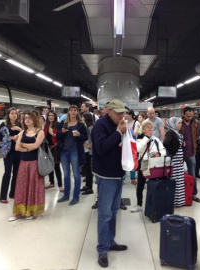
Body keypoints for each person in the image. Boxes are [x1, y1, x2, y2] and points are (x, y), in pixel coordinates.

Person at [91, 99, 128, 268]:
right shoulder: (100, 125)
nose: (122, 115)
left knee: (113, 212)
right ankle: (102, 249)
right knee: (105, 214)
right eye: (119, 112)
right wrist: (119, 133)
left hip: (118, 173)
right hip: (106, 176)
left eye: (123, 112)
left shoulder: (118, 124)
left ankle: (110, 241)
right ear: (109, 111)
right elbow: (100, 147)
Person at [8, 110, 45, 221]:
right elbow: (16, 148)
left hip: (35, 163)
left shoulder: (40, 132)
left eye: (29, 117)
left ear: (34, 119)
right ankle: (18, 212)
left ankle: (31, 211)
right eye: (25, 118)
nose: (27, 120)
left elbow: (35, 146)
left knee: (33, 187)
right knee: (21, 187)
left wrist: (24, 145)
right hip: (23, 163)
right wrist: (28, 147)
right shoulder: (22, 132)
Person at [131, 121, 166, 213]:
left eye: (151, 127)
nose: (150, 129)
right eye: (148, 127)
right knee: (140, 185)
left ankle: (154, 204)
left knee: (153, 185)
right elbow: (138, 148)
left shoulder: (156, 140)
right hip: (144, 165)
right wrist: (146, 138)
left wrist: (159, 154)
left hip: (155, 165)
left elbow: (164, 151)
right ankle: (139, 204)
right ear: (143, 129)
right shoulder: (139, 139)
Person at [56, 105, 88, 205]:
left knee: (76, 174)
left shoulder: (81, 124)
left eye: (75, 110)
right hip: (64, 151)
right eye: (71, 110)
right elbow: (57, 136)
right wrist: (61, 132)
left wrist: (79, 135)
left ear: (77, 112)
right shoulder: (63, 123)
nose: (73, 112)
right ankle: (66, 195)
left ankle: (76, 196)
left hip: (75, 151)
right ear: (68, 112)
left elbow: (85, 137)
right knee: (66, 174)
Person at [0, 107, 22, 203]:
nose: (14, 115)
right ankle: (3, 196)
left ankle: (13, 193)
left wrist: (19, 129)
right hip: (8, 152)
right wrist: (11, 137)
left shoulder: (20, 124)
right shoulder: (4, 125)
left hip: (18, 151)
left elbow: (26, 135)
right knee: (7, 173)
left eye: (15, 113)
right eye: (12, 113)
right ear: (8, 115)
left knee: (16, 173)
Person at [181, 107, 200, 203]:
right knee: (178, 174)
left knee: (192, 174)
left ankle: (193, 194)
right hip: (180, 152)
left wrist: (195, 146)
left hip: (191, 152)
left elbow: (196, 136)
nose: (189, 118)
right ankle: (180, 194)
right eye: (187, 116)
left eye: (191, 116)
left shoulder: (195, 124)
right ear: (184, 114)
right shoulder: (179, 123)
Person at [163, 117, 185, 206]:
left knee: (179, 180)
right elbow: (166, 143)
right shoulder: (170, 132)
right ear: (174, 124)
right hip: (175, 161)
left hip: (178, 160)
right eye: (179, 123)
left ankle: (178, 201)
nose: (180, 125)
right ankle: (174, 201)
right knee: (175, 179)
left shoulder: (176, 133)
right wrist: (172, 152)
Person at [44, 110, 63, 192]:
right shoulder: (46, 125)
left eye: (52, 115)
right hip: (47, 148)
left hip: (55, 148)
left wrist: (53, 135)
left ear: (55, 116)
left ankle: (60, 184)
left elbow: (60, 136)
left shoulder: (58, 125)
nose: (51, 117)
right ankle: (51, 182)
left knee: (56, 166)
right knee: (49, 166)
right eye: (49, 115)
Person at [124, 109, 139, 185]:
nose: (124, 115)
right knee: (124, 159)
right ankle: (122, 177)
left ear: (130, 115)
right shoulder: (125, 122)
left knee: (132, 160)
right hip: (125, 144)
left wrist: (128, 131)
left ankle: (133, 178)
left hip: (133, 144)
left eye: (126, 114)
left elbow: (135, 133)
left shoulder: (136, 123)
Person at [80, 112, 94, 195]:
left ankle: (90, 187)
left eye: (82, 117)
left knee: (89, 170)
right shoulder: (86, 127)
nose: (81, 118)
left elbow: (93, 139)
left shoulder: (90, 128)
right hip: (86, 150)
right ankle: (87, 185)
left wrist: (89, 146)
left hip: (88, 151)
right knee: (87, 169)